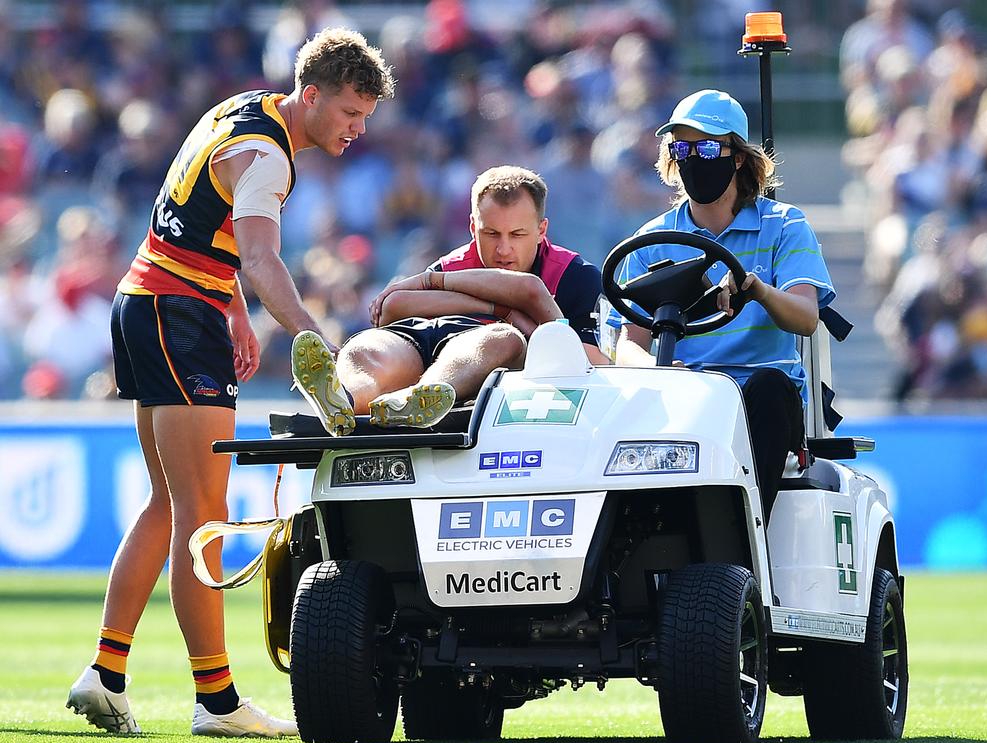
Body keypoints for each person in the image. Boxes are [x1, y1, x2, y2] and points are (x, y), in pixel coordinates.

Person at [66, 28, 394, 737]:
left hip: (154, 301)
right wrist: (314, 337)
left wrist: (236, 313)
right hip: (177, 313)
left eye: (364, 118)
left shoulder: (245, 108)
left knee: (168, 505)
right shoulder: (269, 157)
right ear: (311, 95)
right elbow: (261, 258)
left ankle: (106, 671)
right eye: (347, 114)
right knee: (200, 518)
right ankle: (216, 702)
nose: (356, 130)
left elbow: (200, 225)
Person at [607, 90, 835, 523]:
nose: (694, 158)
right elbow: (627, 343)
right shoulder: (652, 241)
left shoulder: (784, 225)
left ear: (737, 157)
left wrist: (759, 290)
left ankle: (747, 537)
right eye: (682, 148)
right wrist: (656, 372)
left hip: (759, 394)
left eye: (708, 147)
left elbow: (807, 319)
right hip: (687, 394)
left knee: (768, 391)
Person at [292, 165, 606, 435]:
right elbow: (390, 311)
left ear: (541, 231)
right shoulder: (451, 265)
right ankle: (343, 400)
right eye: (492, 234)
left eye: (518, 235)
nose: (504, 250)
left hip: (480, 352)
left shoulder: (574, 275)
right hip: (422, 341)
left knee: (498, 338)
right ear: (473, 227)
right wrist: (496, 308)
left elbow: (590, 362)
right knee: (365, 346)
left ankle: (413, 401)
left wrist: (441, 289)